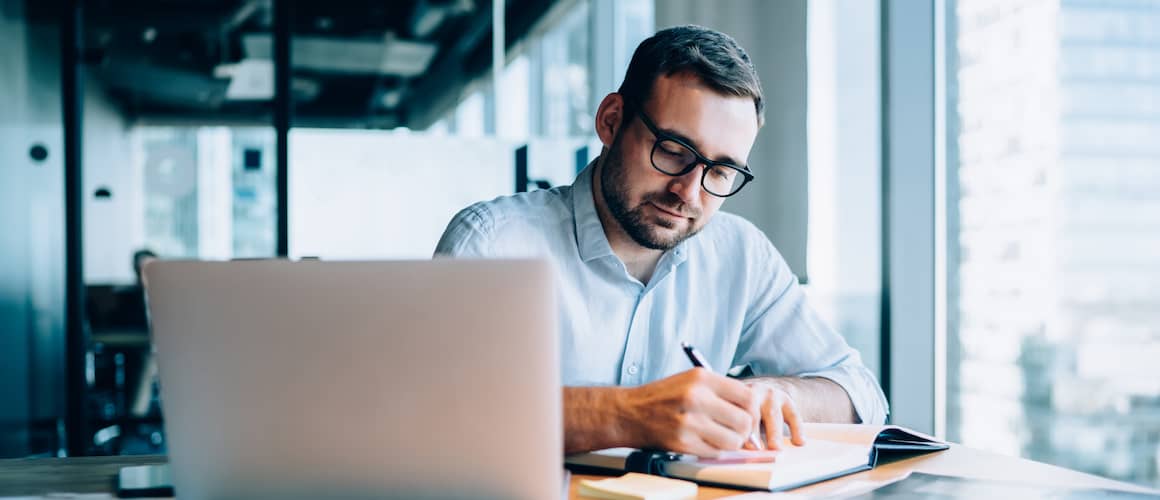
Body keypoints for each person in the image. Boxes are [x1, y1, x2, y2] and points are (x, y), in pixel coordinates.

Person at [435, 25, 887, 457]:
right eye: (672, 151)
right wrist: (630, 415)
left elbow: (861, 393)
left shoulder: (740, 254)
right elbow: (434, 412)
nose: (689, 192)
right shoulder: (493, 242)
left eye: (721, 171)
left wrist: (773, 394)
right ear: (611, 121)